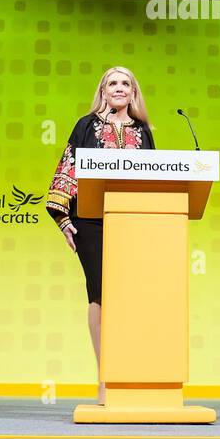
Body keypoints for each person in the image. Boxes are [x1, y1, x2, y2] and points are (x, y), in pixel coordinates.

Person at [46, 66, 155, 405]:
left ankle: (130, 373)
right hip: (90, 220)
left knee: (128, 295)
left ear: (133, 92)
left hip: (132, 220)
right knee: (100, 292)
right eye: (113, 83)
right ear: (104, 91)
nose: (119, 88)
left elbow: (155, 175)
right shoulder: (85, 125)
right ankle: (105, 376)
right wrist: (63, 219)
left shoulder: (144, 131)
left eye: (125, 83)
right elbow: (67, 168)